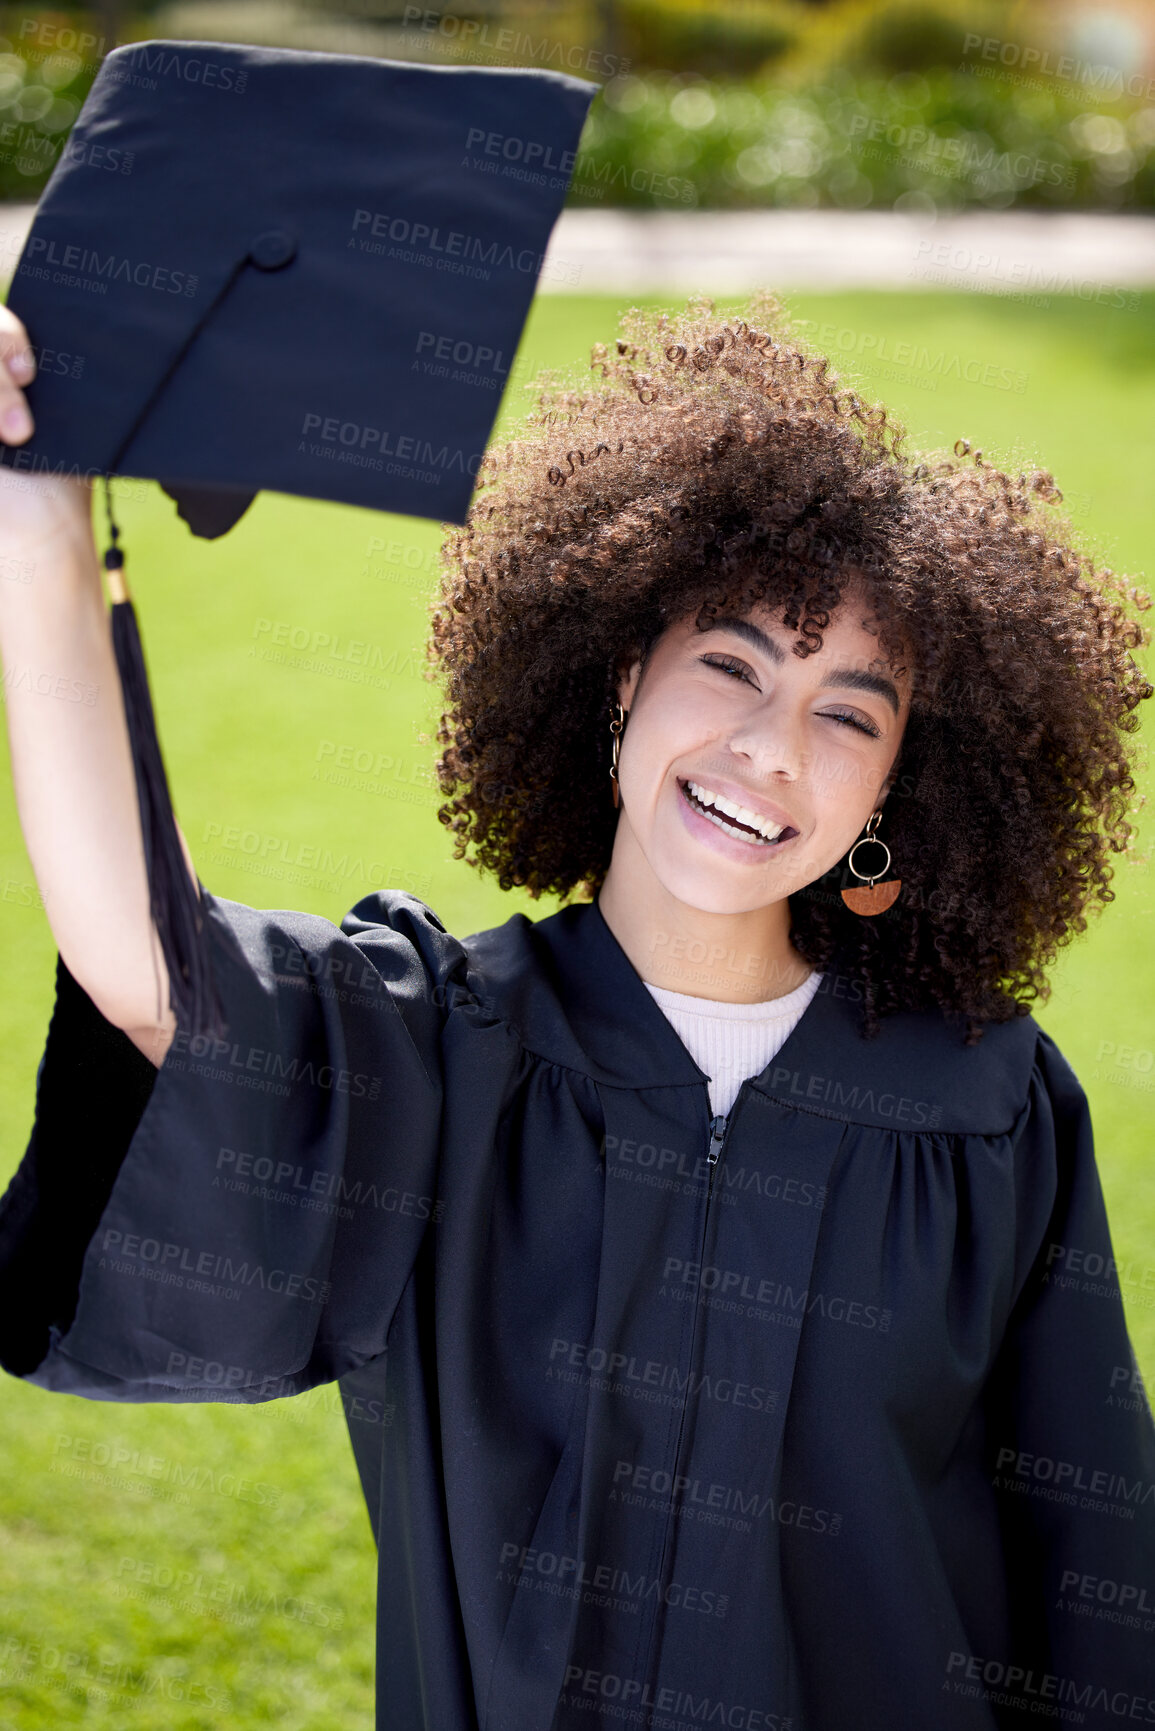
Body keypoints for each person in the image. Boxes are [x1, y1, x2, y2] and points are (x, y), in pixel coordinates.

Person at [1, 289, 1153, 1731]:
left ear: (893, 787)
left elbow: (1095, 1559)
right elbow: (144, 960)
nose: (768, 748)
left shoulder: (985, 1105)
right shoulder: (441, 1054)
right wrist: (36, 520)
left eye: (850, 713)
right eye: (731, 663)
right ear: (625, 677)